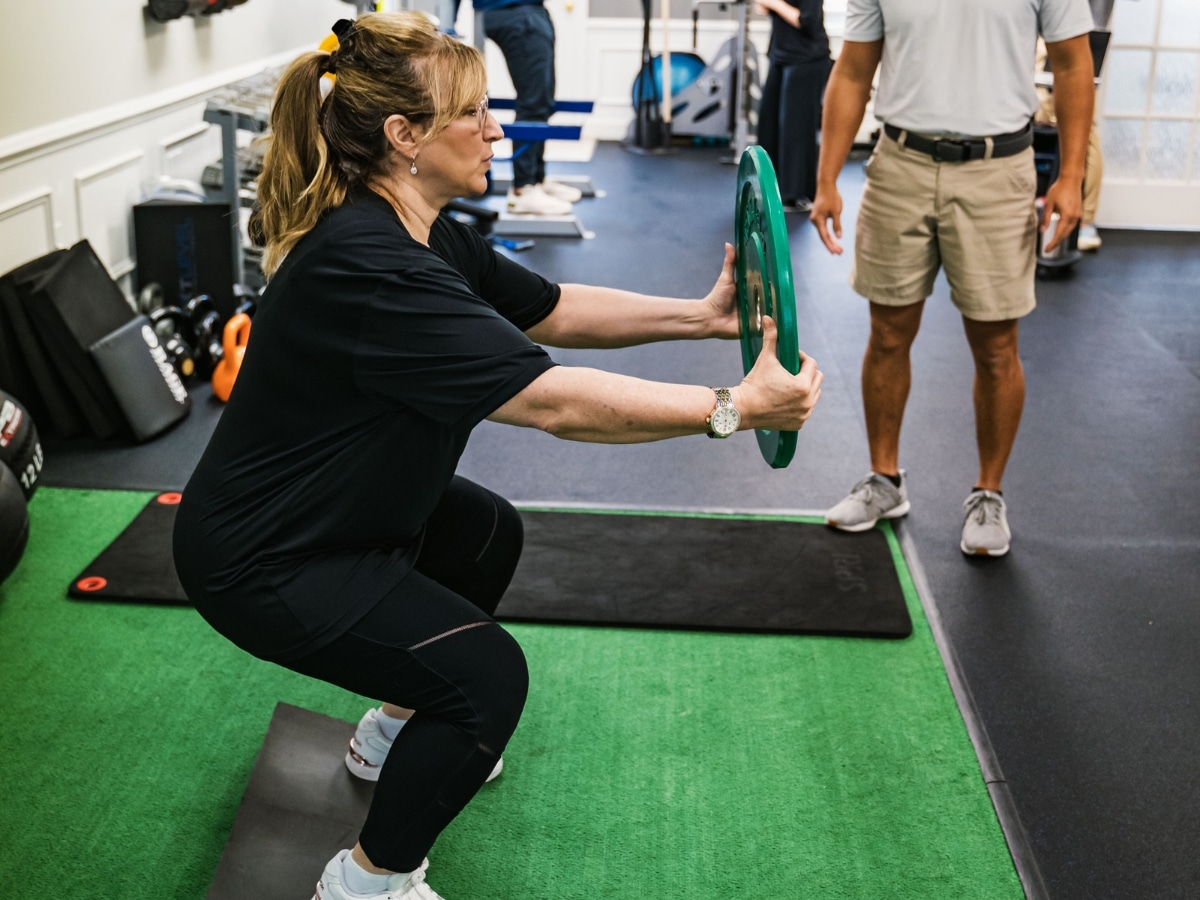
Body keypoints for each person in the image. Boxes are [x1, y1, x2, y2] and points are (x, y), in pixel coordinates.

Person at [171, 13, 823, 900]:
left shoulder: (427, 229)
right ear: (405, 137)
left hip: (337, 512)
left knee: (482, 532)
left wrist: (702, 316)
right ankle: (367, 883)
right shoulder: (373, 267)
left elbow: (552, 309)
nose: (497, 128)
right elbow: (554, 403)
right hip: (264, 557)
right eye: (473, 113)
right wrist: (732, 409)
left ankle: (388, 735)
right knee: (484, 679)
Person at [811, 0, 1095, 557]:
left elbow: (1072, 64)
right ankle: (884, 481)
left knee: (995, 347)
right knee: (888, 333)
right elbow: (852, 70)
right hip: (900, 165)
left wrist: (1071, 174)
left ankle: (988, 493)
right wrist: (825, 178)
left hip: (999, 169)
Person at [475, 0, 578, 215]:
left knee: (542, 101)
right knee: (533, 103)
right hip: (516, 13)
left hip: (527, 12)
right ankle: (523, 190)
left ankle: (536, 180)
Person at [753, 0, 832, 213]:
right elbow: (760, 8)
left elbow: (808, 21)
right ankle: (771, 189)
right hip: (780, 55)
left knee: (795, 129)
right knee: (768, 124)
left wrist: (775, 3)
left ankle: (798, 194)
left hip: (807, 58)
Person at [1035, 37, 1105, 251]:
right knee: (1042, 120)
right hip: (1044, 29)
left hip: (1072, 32)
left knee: (1081, 129)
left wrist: (1070, 178)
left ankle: (1085, 221)